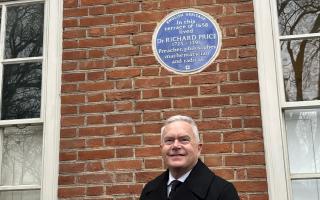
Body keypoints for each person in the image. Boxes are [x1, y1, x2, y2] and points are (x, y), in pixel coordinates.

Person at [140, 115, 240, 200]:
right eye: (169, 140)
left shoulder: (223, 192)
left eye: (184, 139)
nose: (175, 146)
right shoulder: (149, 190)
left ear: (198, 148)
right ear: (162, 148)